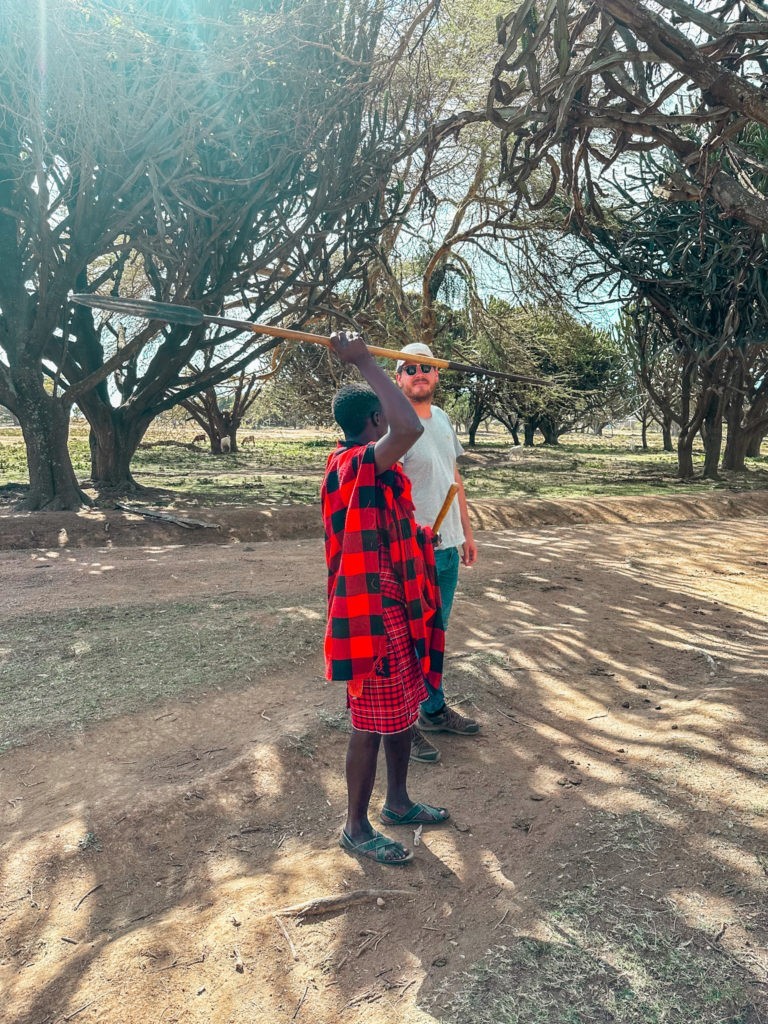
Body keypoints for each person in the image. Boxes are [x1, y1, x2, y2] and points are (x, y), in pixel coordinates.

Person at [321, 330, 450, 865]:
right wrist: (365, 361)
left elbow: (394, 534)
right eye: (384, 413)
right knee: (370, 723)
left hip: (396, 612)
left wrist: (424, 540)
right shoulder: (352, 467)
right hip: (368, 618)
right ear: (373, 422)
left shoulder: (380, 475)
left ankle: (397, 803)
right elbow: (411, 424)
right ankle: (355, 826)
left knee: (402, 711)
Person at [395, 341, 480, 764]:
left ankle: (432, 710)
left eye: (425, 367)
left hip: (447, 547)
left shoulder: (443, 419)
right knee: (410, 637)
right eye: (409, 368)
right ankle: (403, 723)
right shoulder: (396, 424)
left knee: (436, 635)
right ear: (398, 379)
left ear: (437, 375)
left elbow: (453, 476)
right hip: (413, 552)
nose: (418, 374)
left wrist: (466, 531)